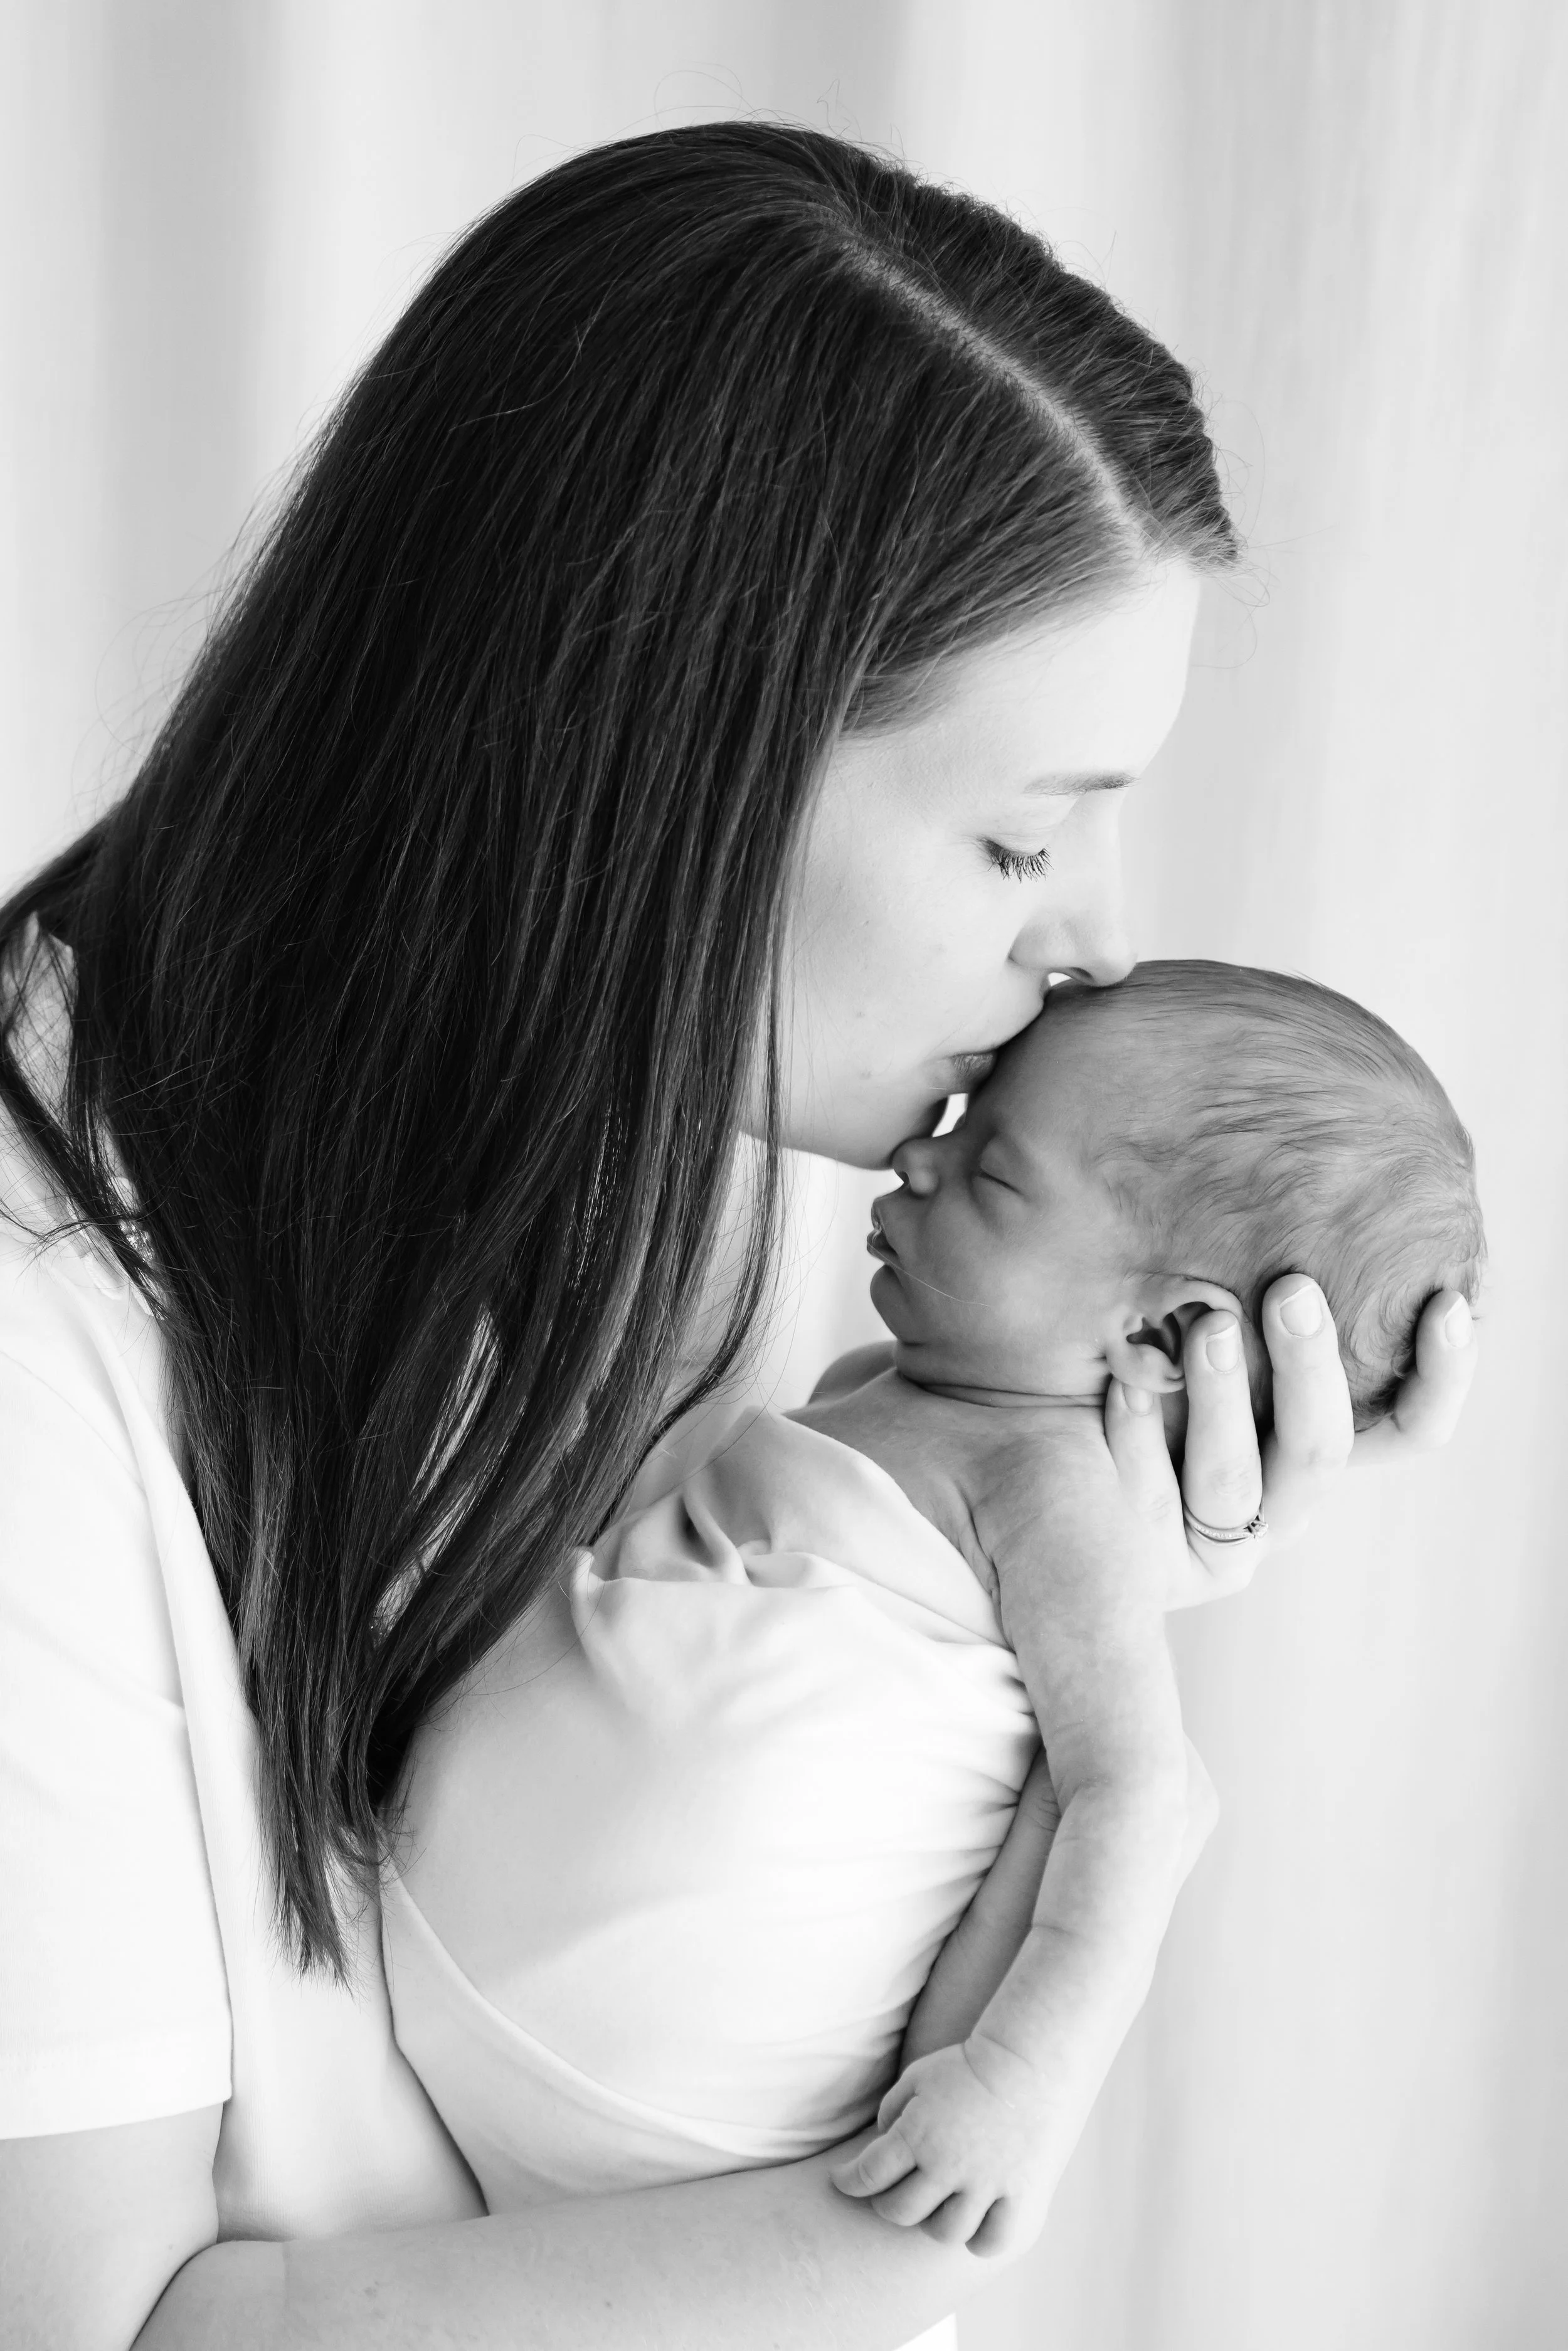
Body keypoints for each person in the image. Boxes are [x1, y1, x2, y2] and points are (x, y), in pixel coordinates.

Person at [0, 124, 1475, 2351]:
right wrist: (898, 2226)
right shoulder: (36, 1368)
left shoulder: (695, 1188)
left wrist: (1033, 1580)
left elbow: (668, 1893)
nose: (1094, 955)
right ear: (661, 743)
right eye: (1016, 837)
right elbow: (104, 2323)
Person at [379, 957, 1483, 2278]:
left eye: (992, 1174)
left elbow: (1124, 1796)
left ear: (1163, 1327)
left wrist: (1019, 2074)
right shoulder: (884, 1385)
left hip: (657, 2121)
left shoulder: (1054, 1501)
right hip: (459, 2002)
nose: (916, 1161)